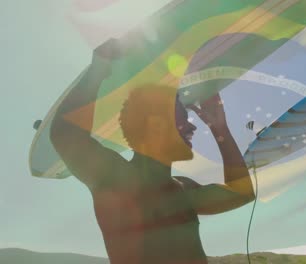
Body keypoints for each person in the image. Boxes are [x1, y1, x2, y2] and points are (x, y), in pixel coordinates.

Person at [50, 39, 254, 264]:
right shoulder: (116, 177)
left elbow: (242, 193)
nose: (191, 126)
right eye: (180, 120)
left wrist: (220, 129)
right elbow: (65, 135)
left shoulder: (183, 189)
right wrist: (98, 70)